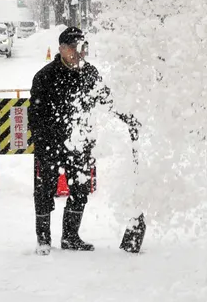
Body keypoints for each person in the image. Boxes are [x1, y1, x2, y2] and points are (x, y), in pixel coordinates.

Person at [28, 26, 138, 254]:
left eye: (83, 48)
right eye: (75, 48)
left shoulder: (90, 74)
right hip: (50, 143)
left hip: (80, 142)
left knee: (80, 189)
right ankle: (44, 240)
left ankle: (70, 237)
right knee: (44, 191)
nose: (80, 53)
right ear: (62, 49)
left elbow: (107, 100)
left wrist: (128, 117)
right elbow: (35, 116)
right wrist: (43, 143)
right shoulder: (45, 76)